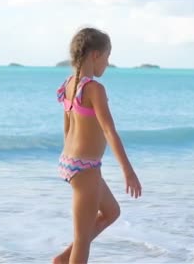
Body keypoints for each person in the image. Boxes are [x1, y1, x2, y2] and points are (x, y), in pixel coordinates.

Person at [53, 27, 142, 264]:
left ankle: (62, 259)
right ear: (95, 55)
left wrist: (71, 160)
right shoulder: (94, 89)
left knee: (112, 212)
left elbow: (67, 128)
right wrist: (128, 171)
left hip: (74, 163)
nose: (107, 63)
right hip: (85, 168)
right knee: (82, 240)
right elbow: (108, 130)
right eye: (107, 56)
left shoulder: (69, 83)